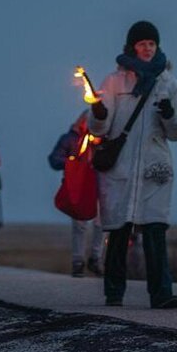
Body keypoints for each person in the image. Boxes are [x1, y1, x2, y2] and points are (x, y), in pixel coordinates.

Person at [88, 21, 177, 308]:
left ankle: (161, 293)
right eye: (142, 43)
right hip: (121, 166)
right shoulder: (114, 82)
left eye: (151, 44)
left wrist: (170, 115)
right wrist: (97, 113)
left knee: (155, 231)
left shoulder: (169, 84)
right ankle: (114, 292)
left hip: (154, 169)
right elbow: (99, 128)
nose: (147, 48)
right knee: (118, 231)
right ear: (132, 46)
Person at [48, 110, 104, 277]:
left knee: (101, 223)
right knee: (80, 225)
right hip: (79, 186)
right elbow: (54, 159)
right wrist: (71, 163)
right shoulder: (70, 139)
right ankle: (78, 262)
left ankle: (96, 258)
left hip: (99, 186)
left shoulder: (103, 139)